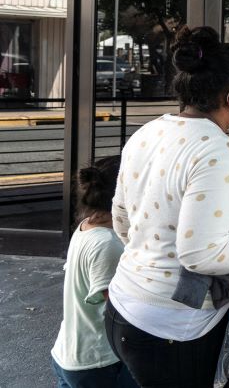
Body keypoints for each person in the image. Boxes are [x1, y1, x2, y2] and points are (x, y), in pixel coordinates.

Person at [104, 26, 229, 386]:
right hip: (172, 326)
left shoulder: (149, 131)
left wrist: (152, 255)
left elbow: (122, 219)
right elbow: (203, 253)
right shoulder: (219, 149)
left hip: (123, 307)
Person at [51, 157, 138, 388]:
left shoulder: (86, 226)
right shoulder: (107, 243)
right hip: (98, 362)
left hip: (70, 353)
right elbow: (119, 310)